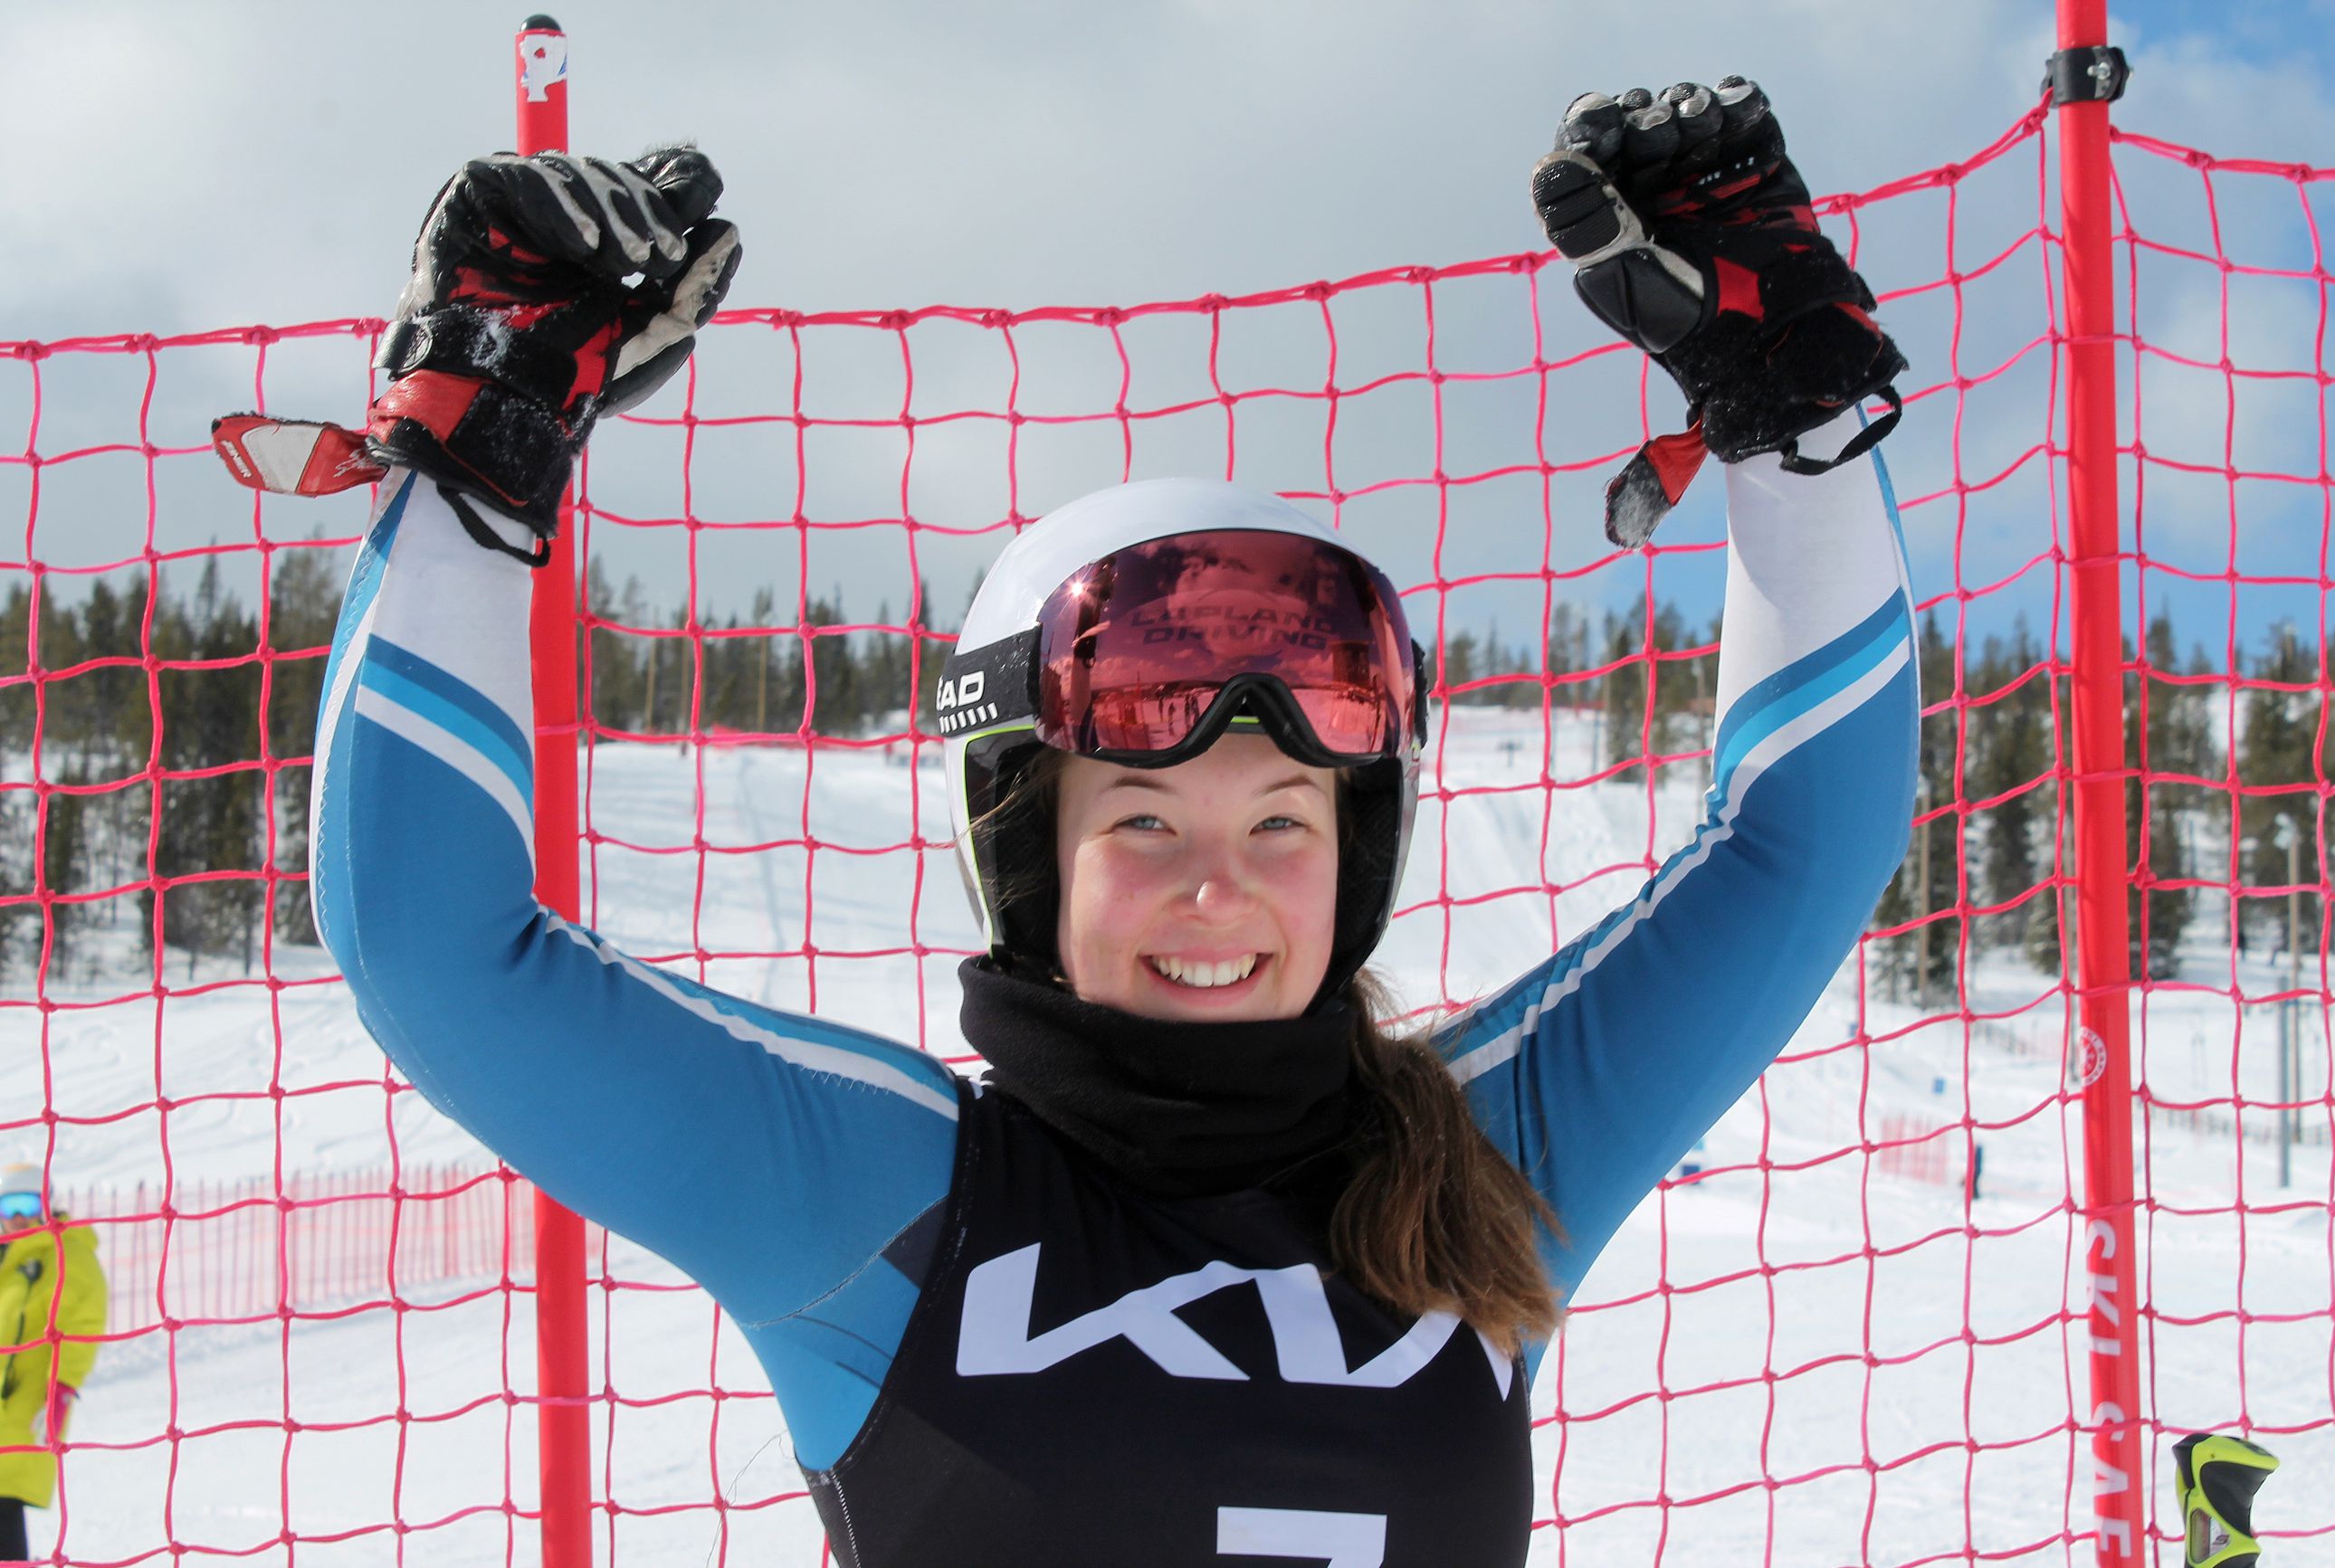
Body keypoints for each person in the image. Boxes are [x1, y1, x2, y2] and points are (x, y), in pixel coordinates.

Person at [235, 75, 1918, 1566]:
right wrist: (478, 456)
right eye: (1142, 821)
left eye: (1283, 825)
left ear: (1361, 861)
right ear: (1028, 853)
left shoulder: (1484, 1175)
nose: (1218, 891)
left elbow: (1799, 846)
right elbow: (437, 944)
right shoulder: (893, 1197)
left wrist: (1798, 423)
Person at [0, 1163, 106, 1563]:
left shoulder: (66, 1254)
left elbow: (82, 1323)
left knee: (4, 1506)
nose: (17, 1217)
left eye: (27, 1204)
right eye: (8, 1207)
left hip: (22, 1407)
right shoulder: (6, 1256)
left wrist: (60, 1388)